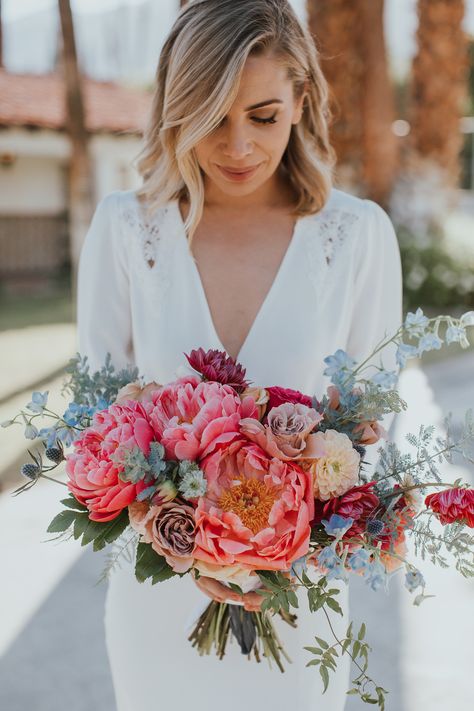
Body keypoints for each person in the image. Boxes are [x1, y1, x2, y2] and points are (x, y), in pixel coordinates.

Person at [76, 1, 403, 709]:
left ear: (301, 100)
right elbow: (96, 425)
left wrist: (283, 537)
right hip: (158, 593)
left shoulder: (356, 236)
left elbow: (375, 428)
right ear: (175, 108)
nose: (238, 146)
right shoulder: (127, 231)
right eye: (210, 116)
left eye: (263, 116)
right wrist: (181, 540)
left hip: (297, 600)